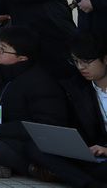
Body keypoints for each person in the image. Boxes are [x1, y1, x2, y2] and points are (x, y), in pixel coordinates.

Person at [0, 26, 68, 180]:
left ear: (22, 58)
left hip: (24, 139)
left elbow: (43, 125)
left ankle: (33, 169)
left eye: (3, 49)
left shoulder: (39, 82)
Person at [24, 32, 107, 187]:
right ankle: (87, 182)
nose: (81, 67)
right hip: (93, 152)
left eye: (86, 61)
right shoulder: (77, 87)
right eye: (75, 61)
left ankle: (65, 175)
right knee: (35, 146)